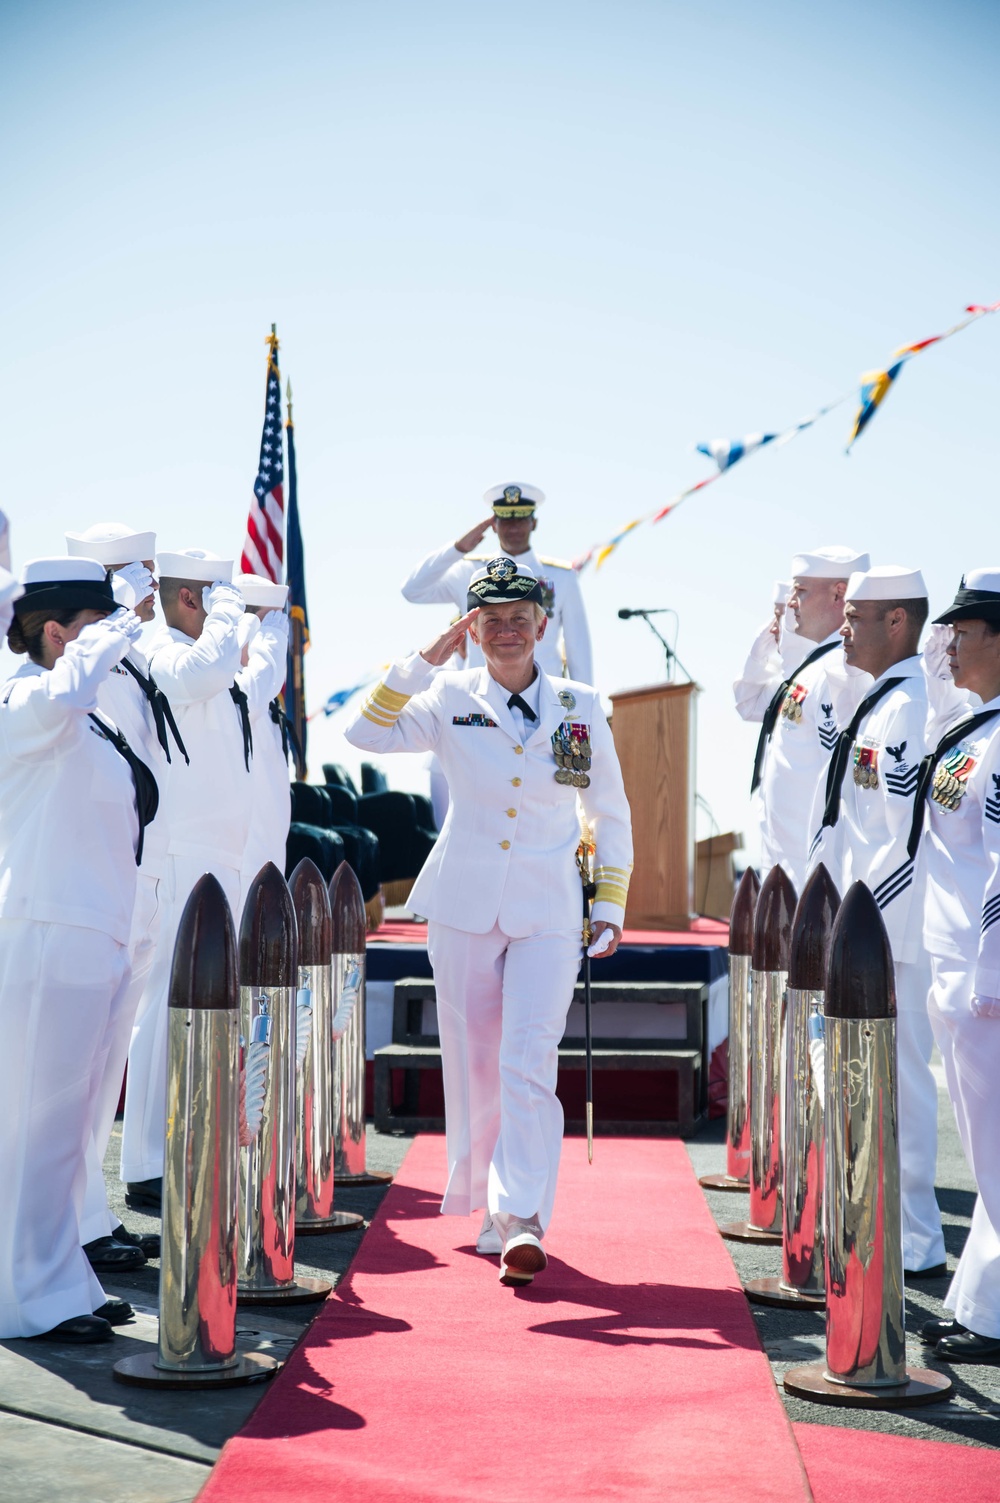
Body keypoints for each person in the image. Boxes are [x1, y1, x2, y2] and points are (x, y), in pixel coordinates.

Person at [346, 556, 632, 1285]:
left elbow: (609, 809)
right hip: (466, 902)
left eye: (519, 618)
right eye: (490, 619)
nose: (507, 630)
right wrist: (424, 658)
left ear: (543, 624)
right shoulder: (446, 695)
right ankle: (486, 1205)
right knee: (475, 1064)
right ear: (472, 628)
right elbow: (364, 732)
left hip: (547, 905)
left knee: (528, 1058)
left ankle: (522, 1216)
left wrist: (608, 904)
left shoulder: (581, 703)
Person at [0, 559, 152, 1342]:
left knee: (67, 1128)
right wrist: (128, 613)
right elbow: (69, 687)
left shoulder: (87, 717)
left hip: (97, 935)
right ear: (56, 632)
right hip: (48, 934)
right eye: (95, 624)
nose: (119, 638)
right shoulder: (31, 697)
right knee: (35, 1125)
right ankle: (25, 1295)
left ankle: (62, 1276)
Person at [809, 565, 945, 1278]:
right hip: (863, 929)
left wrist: (863, 927)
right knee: (866, 1080)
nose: (843, 626)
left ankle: (916, 1236)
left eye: (856, 615)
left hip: (889, 934)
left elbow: (908, 837)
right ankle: (879, 1220)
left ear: (898, 622)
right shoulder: (881, 700)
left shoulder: (913, 706)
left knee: (900, 1083)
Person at [65, 523, 186, 1274]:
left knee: (104, 1069)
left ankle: (88, 1216)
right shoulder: (84, 656)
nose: (144, 587)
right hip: (94, 882)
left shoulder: (135, 656)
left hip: (141, 876)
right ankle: (69, 1227)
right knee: (75, 1076)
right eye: (127, 573)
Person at [120, 550, 249, 1210]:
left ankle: (180, 1143)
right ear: (193, 600)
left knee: (196, 1008)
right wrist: (230, 612)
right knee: (163, 1007)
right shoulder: (158, 645)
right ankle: (146, 1159)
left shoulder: (209, 662)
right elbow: (204, 670)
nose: (236, 618)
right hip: (181, 854)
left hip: (217, 853)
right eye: (221, 601)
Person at [912, 569, 1000, 1362]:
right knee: (986, 1151)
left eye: (965, 632)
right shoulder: (975, 728)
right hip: (954, 965)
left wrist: (994, 974)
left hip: (986, 978)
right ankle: (982, 1310)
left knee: (998, 1150)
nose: (950, 643)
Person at [736, 545, 870, 893]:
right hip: (788, 871)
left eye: (801, 590)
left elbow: (843, 790)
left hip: (816, 878)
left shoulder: (841, 673)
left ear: (839, 593)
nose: (792, 602)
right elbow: (749, 703)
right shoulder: (810, 671)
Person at [401, 483, 593, 683]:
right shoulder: (468, 571)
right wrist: (457, 549)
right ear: (494, 525)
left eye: (521, 519)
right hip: (479, 699)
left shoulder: (561, 576)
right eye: (506, 520)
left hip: (544, 699)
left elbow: (577, 646)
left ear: (533, 523)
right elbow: (412, 590)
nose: (514, 527)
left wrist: (582, 704)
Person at [232, 572, 292, 909]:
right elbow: (250, 694)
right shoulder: (235, 687)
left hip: (269, 852)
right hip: (241, 859)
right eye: (270, 622)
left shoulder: (264, 695)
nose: (278, 633)